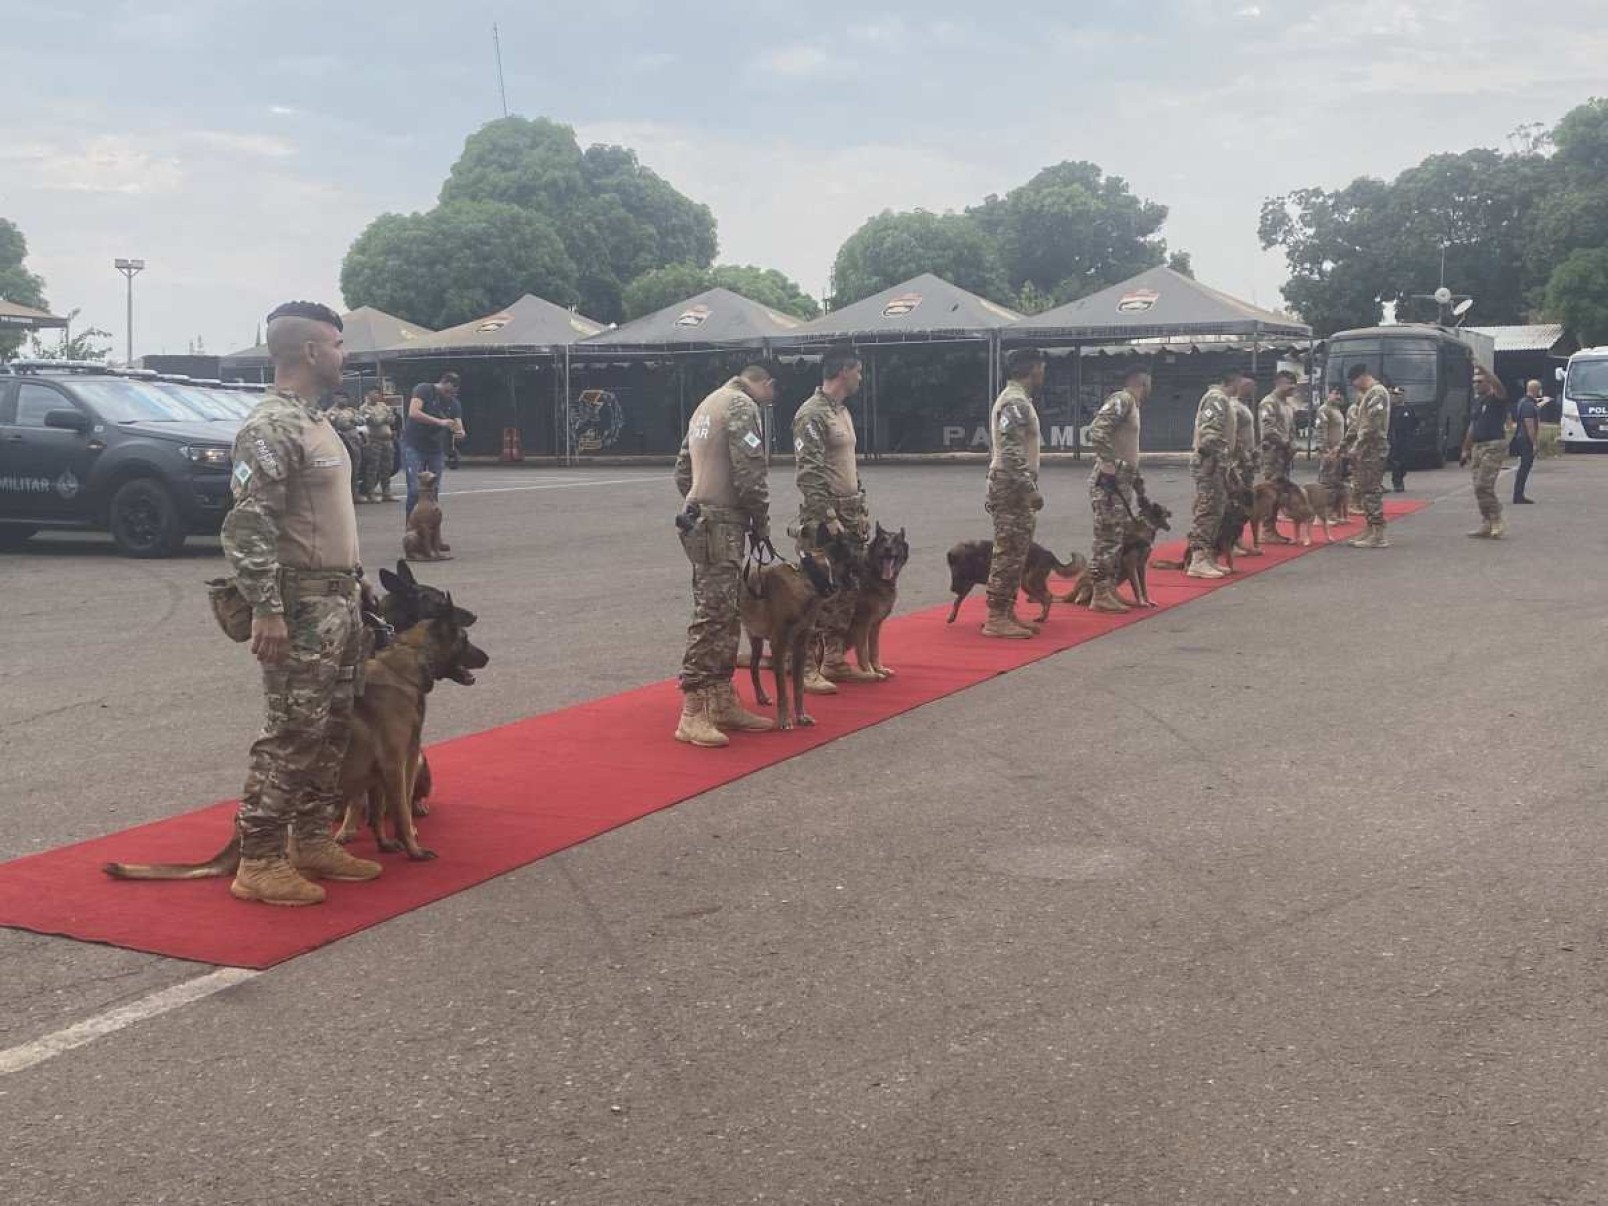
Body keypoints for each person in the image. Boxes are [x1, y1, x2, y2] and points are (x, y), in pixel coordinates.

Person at [219, 301, 381, 906]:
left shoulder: (315, 421)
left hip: (337, 598)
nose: (345, 355)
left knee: (332, 727)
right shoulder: (272, 427)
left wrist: (356, 581)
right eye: (338, 344)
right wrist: (266, 607)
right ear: (312, 351)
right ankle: (259, 858)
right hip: (301, 607)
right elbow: (248, 524)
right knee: (291, 732)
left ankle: (311, 838)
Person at [672, 365, 777, 747]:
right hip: (721, 523)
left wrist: (699, 497)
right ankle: (693, 710)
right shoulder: (740, 405)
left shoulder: (706, 405)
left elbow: (683, 470)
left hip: (703, 518)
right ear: (765, 383)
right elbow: (750, 472)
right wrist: (760, 520)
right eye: (771, 387)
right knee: (713, 616)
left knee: (726, 612)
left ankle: (720, 699)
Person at [793, 346, 879, 685]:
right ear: (844, 370)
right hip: (827, 520)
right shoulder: (811, 414)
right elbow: (809, 473)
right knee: (819, 594)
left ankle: (834, 660)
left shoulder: (841, 411)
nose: (860, 377)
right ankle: (808, 667)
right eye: (858, 370)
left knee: (847, 592)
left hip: (851, 514)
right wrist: (828, 518)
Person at [981, 347, 1047, 637]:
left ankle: (1006, 610)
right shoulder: (1016, 402)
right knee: (1008, 552)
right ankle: (996, 616)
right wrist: (1028, 488)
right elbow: (1010, 449)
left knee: (1018, 550)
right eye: (1041, 367)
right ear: (1032, 369)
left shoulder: (1019, 400)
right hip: (1012, 486)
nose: (1044, 372)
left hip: (1011, 484)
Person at [1085, 363, 1150, 614]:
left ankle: (1108, 588)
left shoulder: (1132, 405)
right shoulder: (1122, 399)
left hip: (1122, 481)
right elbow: (1097, 430)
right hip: (1109, 482)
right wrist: (1109, 462)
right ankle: (1100, 593)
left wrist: (1136, 480)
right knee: (1106, 539)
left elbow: (1128, 447)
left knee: (1114, 538)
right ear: (1141, 381)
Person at [1185, 368, 1238, 579]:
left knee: (1216, 510)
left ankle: (1206, 556)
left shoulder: (1222, 399)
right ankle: (1197, 559)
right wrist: (1223, 461)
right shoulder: (1215, 399)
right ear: (1232, 380)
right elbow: (1210, 434)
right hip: (1210, 463)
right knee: (1207, 510)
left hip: (1216, 464)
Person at [403, 371, 464, 520]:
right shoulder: (424, 389)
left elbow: (459, 425)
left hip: (435, 448)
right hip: (414, 444)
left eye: (452, 393)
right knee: (415, 489)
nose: (448, 395)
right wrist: (439, 422)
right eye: (447, 391)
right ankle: (411, 526)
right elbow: (413, 412)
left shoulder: (453, 403)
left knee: (434, 489)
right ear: (442, 383)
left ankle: (431, 527)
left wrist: (459, 432)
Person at [1342, 363, 1391, 548]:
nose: (1354, 386)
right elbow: (1358, 425)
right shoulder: (1367, 395)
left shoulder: (1377, 392)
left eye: (1354, 382)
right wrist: (1345, 444)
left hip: (1372, 448)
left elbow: (1372, 425)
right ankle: (1370, 528)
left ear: (1362, 377)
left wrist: (1357, 446)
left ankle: (1378, 533)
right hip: (1365, 450)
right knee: (1364, 490)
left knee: (1371, 491)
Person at [1460, 366, 1510, 538]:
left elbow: (1500, 387)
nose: (1476, 385)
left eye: (1480, 382)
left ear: (1488, 382)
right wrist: (1465, 449)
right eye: (1474, 382)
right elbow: (1472, 426)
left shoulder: (1496, 399)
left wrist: (1485, 370)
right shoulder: (1477, 402)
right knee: (1478, 487)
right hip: (1478, 446)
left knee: (1484, 484)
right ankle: (1486, 522)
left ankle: (1496, 520)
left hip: (1493, 444)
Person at [1256, 370, 1299, 543]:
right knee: (1270, 492)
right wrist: (1285, 443)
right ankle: (1267, 530)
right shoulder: (1269, 403)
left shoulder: (1287, 405)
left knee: (1281, 492)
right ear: (1279, 383)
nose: (1293, 387)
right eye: (1289, 383)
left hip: (1285, 455)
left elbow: (1292, 429)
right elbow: (1268, 430)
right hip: (1273, 454)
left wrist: (1293, 445)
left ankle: (1272, 528)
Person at [326, 391, 366, 503]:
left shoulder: (351, 411)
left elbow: (362, 420)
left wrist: (353, 420)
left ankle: (355, 494)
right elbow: (331, 424)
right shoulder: (330, 412)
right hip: (340, 442)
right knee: (342, 470)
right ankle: (343, 496)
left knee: (355, 469)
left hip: (354, 442)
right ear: (335, 398)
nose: (342, 400)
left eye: (344, 398)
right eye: (339, 397)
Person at [359, 388, 397, 502]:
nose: (376, 395)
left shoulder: (383, 406)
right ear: (368, 395)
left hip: (387, 440)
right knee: (373, 468)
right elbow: (375, 421)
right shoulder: (365, 408)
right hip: (374, 440)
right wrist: (384, 418)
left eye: (377, 393)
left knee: (387, 467)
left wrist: (386, 418)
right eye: (373, 393)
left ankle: (386, 493)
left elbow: (392, 419)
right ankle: (371, 493)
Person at [1317, 384, 1348, 509]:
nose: (1338, 396)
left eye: (1339, 394)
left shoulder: (1337, 410)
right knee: (1326, 483)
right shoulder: (1324, 410)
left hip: (1338, 450)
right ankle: (1323, 513)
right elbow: (1321, 430)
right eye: (1335, 393)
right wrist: (1325, 450)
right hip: (1329, 451)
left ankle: (1334, 512)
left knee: (1336, 482)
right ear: (1328, 394)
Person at [1512, 380, 1541, 504]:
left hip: (1520, 437)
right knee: (1525, 466)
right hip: (1525, 439)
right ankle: (1518, 495)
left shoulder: (1522, 401)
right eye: (1539, 389)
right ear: (1535, 390)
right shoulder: (1528, 405)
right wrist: (1534, 443)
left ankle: (1518, 494)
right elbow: (1529, 424)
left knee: (1524, 466)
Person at [1386, 386, 1417, 493]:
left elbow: (1414, 423)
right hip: (1394, 440)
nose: (1396, 398)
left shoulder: (1408, 409)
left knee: (1404, 462)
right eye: (1394, 395)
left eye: (1398, 395)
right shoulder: (1390, 411)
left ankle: (1401, 476)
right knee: (1395, 462)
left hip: (1406, 440)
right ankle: (1397, 482)